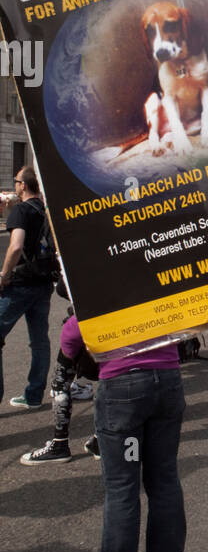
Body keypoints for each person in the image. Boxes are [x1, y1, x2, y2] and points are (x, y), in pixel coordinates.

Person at [69, 317, 187, 552]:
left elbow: (71, 336)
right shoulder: (158, 272)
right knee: (164, 477)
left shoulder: (104, 280)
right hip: (166, 381)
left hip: (123, 389)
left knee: (123, 487)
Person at [0, 166, 54, 409]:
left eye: (16, 181)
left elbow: (15, 246)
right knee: (39, 341)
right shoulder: (44, 210)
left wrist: (4, 274)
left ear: (23, 185)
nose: (14, 184)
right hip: (43, 282)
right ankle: (33, 395)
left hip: (20, 283)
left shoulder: (21, 210)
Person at [21, 305, 101, 465]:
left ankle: (59, 444)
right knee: (110, 384)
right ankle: (101, 441)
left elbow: (63, 289)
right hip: (125, 324)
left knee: (60, 382)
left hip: (85, 322)